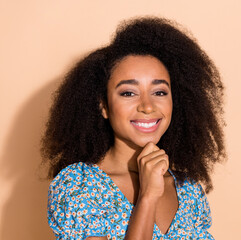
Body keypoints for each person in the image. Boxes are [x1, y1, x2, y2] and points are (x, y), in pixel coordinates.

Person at [42, 16, 226, 240]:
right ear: (103, 106)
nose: (148, 106)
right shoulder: (80, 187)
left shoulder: (188, 190)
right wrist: (147, 196)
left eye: (159, 92)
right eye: (128, 93)